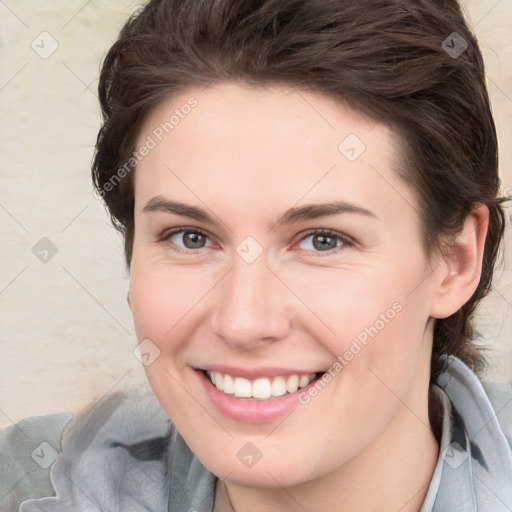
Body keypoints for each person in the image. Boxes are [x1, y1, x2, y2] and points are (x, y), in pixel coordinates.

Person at [1, 0, 511, 510]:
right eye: (190, 237)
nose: (243, 322)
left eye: (322, 240)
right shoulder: (28, 482)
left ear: (456, 259)